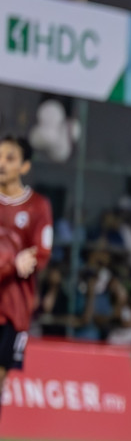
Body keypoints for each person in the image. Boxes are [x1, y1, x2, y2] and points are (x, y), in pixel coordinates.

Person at [0, 135, 54, 423]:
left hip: (13, 310)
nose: (1, 163)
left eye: (10, 158)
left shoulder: (38, 206)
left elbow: (41, 254)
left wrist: (25, 261)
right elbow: (15, 261)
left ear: (24, 166)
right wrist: (12, 262)